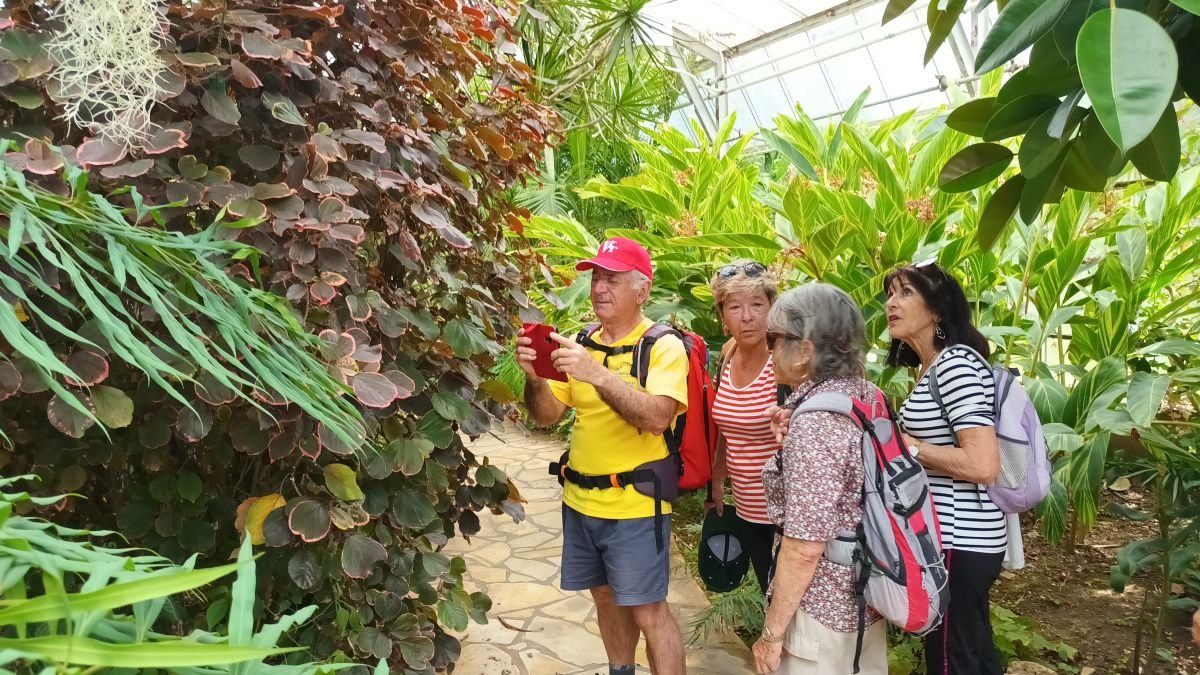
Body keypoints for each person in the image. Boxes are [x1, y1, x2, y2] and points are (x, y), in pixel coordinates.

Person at [515, 237, 688, 675]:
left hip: (635, 505)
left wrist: (598, 376)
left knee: (650, 611)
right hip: (580, 502)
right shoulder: (582, 342)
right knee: (606, 599)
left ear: (642, 289)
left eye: (612, 278)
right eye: (596, 278)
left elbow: (656, 418)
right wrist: (536, 377)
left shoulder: (663, 346)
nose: (599, 288)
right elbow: (546, 415)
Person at [752, 283, 887, 675]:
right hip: (864, 596)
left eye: (775, 339)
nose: (769, 349)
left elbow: (805, 546)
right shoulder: (866, 393)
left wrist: (772, 635)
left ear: (806, 349)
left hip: (820, 612)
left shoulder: (816, 425)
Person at [885, 259, 1005, 675]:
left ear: (936, 309)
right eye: (889, 294)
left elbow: (983, 464)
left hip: (961, 540)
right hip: (949, 540)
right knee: (971, 651)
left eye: (905, 293)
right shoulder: (931, 368)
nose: (891, 304)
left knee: (953, 660)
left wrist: (910, 447)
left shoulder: (955, 365)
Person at [707, 259, 783, 593]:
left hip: (786, 512)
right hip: (747, 507)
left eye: (757, 305)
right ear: (723, 317)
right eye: (735, 307)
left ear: (773, 308)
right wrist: (717, 477)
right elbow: (727, 425)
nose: (747, 316)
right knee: (769, 593)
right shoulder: (728, 352)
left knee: (789, 605)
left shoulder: (786, 359)